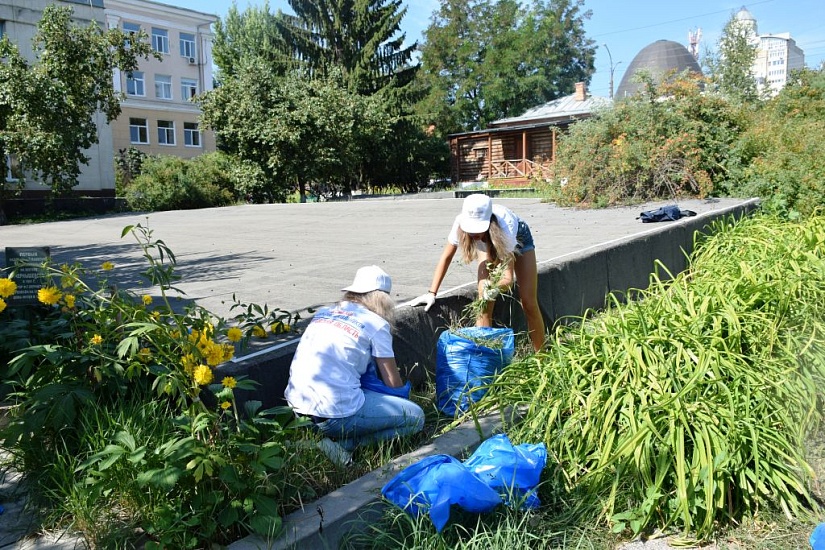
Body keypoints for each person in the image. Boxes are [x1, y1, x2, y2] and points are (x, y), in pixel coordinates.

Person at [284, 265, 425, 466]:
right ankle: (344, 445)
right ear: (383, 299)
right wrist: (407, 401)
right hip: (335, 415)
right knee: (415, 417)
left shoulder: (325, 312)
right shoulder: (376, 324)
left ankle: (316, 440)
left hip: (298, 407)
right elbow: (392, 383)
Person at [406, 194, 546, 352]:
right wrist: (431, 293)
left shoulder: (505, 226)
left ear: (488, 223)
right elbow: (446, 257)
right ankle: (484, 358)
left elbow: (507, 279)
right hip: (489, 241)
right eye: (471, 229)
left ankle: (541, 355)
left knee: (528, 302)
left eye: (477, 229)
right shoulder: (460, 224)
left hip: (517, 236)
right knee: (484, 302)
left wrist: (494, 288)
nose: (473, 234)